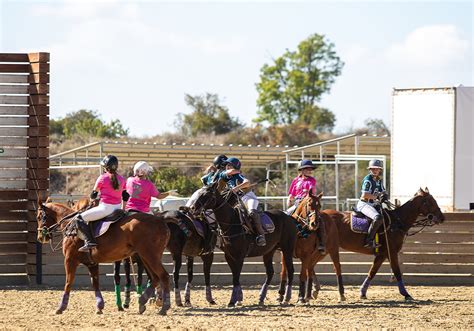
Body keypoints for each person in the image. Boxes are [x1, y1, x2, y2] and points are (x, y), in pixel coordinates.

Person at [76, 155, 127, 252]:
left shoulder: (102, 178)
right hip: (117, 208)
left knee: (79, 219)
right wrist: (123, 209)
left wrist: (91, 200)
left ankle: (90, 241)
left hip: (105, 208)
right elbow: (125, 196)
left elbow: (94, 194)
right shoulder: (122, 179)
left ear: (106, 167)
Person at [219, 157, 266, 247]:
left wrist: (236, 188)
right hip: (238, 202)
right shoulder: (227, 178)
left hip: (248, 198)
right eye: (226, 165)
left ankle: (261, 235)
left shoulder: (238, 176)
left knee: (252, 212)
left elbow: (247, 182)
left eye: (229, 165)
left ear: (235, 167)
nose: (227, 167)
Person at [287, 159, 326, 253]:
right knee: (285, 216)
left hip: (308, 203)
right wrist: (289, 200)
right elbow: (291, 194)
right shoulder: (296, 180)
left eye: (310, 169)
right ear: (301, 170)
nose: (310, 170)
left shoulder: (312, 180)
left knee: (318, 219)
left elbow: (311, 192)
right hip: (297, 203)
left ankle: (321, 243)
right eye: (307, 169)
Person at [356, 159, 388, 248]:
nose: (375, 170)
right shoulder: (368, 180)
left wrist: (385, 196)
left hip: (373, 204)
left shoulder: (378, 180)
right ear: (370, 169)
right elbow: (364, 195)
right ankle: (368, 241)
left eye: (377, 169)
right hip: (364, 204)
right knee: (378, 218)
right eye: (373, 169)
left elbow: (383, 191)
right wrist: (377, 197)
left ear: (379, 170)